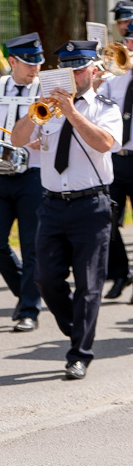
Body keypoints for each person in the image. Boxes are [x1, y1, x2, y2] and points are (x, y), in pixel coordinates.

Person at [11, 40, 122, 380]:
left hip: (92, 205)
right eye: (67, 69)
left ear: (92, 70)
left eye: (79, 68)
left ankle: (79, 353)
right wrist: (34, 112)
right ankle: (77, 328)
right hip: (52, 204)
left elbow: (105, 144)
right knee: (46, 279)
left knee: (89, 285)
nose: (73, 75)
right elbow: (17, 140)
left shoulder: (105, 107)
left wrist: (72, 110)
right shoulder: (46, 106)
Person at [0, 33, 44, 332]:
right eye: (29, 63)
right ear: (12, 62)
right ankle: (26, 292)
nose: (35, 69)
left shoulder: (47, 89)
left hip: (34, 176)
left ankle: (28, 309)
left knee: (32, 246)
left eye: (38, 62)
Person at [98, 28, 133, 301]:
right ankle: (121, 273)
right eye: (129, 41)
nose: (130, 46)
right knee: (107, 220)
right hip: (117, 160)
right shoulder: (116, 78)